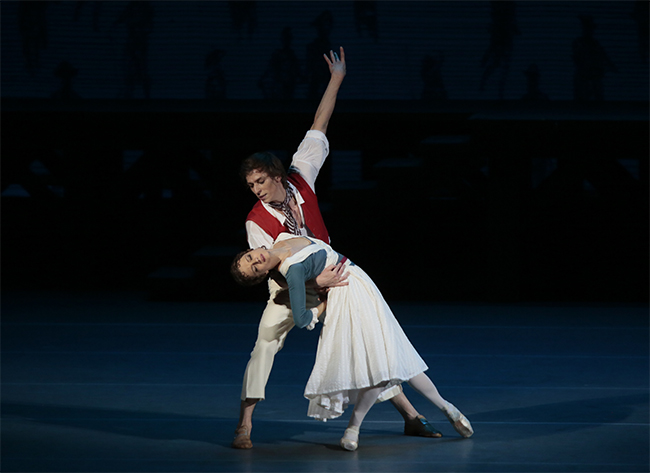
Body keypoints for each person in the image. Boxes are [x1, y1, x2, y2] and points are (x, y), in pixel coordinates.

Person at [232, 47, 442, 449]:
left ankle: (411, 416)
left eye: (260, 182)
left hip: (329, 272)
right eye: (251, 187)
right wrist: (316, 283)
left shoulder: (300, 176)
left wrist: (336, 79)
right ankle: (245, 421)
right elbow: (267, 267)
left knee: (365, 341)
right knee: (265, 342)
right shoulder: (255, 222)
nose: (256, 191)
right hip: (290, 283)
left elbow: (319, 124)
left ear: (275, 174)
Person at [231, 234, 474, 451]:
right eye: (254, 267)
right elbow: (303, 319)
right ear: (262, 275)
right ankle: (356, 428)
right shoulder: (292, 272)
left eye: (251, 257)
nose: (256, 260)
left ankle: (445, 409)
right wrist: (323, 301)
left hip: (361, 282)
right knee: (381, 358)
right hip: (345, 293)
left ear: (255, 248)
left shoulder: (283, 238)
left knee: (394, 353)